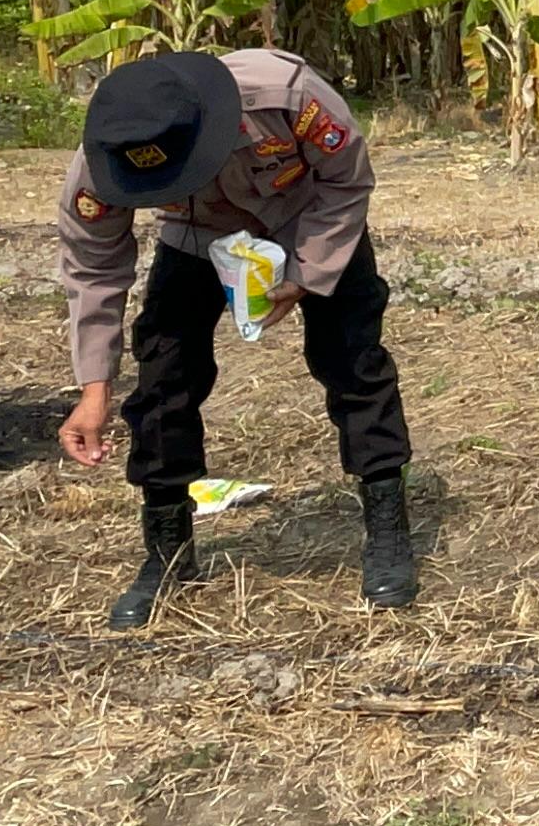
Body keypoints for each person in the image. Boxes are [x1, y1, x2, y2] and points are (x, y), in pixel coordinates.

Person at [55, 47, 416, 628]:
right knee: (164, 376)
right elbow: (94, 267)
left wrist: (307, 274)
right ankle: (168, 555)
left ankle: (387, 528)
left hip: (307, 221)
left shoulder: (286, 97)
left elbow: (346, 180)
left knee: (351, 361)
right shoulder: (106, 159)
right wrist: (93, 390)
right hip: (196, 237)